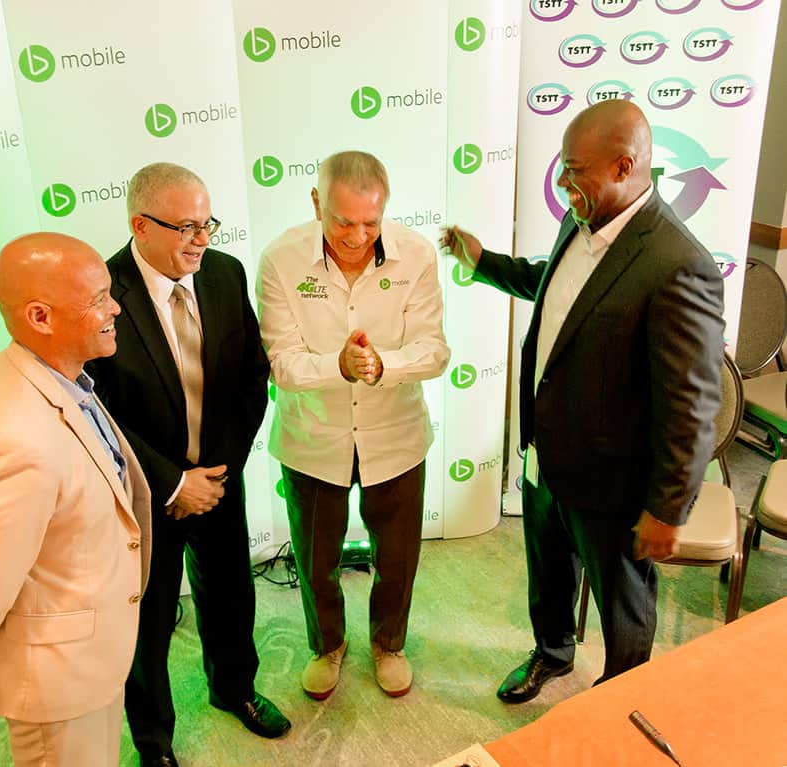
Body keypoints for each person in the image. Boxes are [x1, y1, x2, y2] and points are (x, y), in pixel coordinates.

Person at [442, 99, 725, 702]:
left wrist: (668, 509)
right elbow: (556, 287)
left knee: (623, 602)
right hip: (546, 458)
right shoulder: (581, 219)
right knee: (547, 576)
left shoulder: (679, 265)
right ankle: (551, 653)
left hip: (613, 484)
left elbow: (692, 406)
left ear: (624, 166)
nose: (563, 183)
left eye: (575, 170)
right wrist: (483, 262)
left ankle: (621, 695)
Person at [85, 162, 289, 767]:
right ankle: (154, 743)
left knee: (231, 594)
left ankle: (234, 689)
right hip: (145, 494)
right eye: (186, 228)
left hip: (219, 477)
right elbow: (97, 410)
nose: (202, 240)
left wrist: (219, 472)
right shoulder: (102, 292)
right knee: (148, 622)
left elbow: (251, 376)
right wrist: (174, 483)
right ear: (140, 226)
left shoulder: (225, 273)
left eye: (207, 224)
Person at [0, 232, 152, 767]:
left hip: (90, 659)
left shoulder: (40, 373)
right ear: (40, 317)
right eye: (98, 298)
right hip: (57, 683)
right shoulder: (18, 442)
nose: (116, 308)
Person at [257, 150, 450, 700]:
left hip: (397, 435)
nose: (358, 237)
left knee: (397, 558)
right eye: (343, 222)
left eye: (371, 222)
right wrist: (336, 366)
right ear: (316, 202)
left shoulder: (416, 254)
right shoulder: (280, 260)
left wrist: (383, 364)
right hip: (313, 440)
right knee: (316, 561)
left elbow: (435, 350)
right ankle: (327, 646)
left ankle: (389, 644)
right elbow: (282, 362)